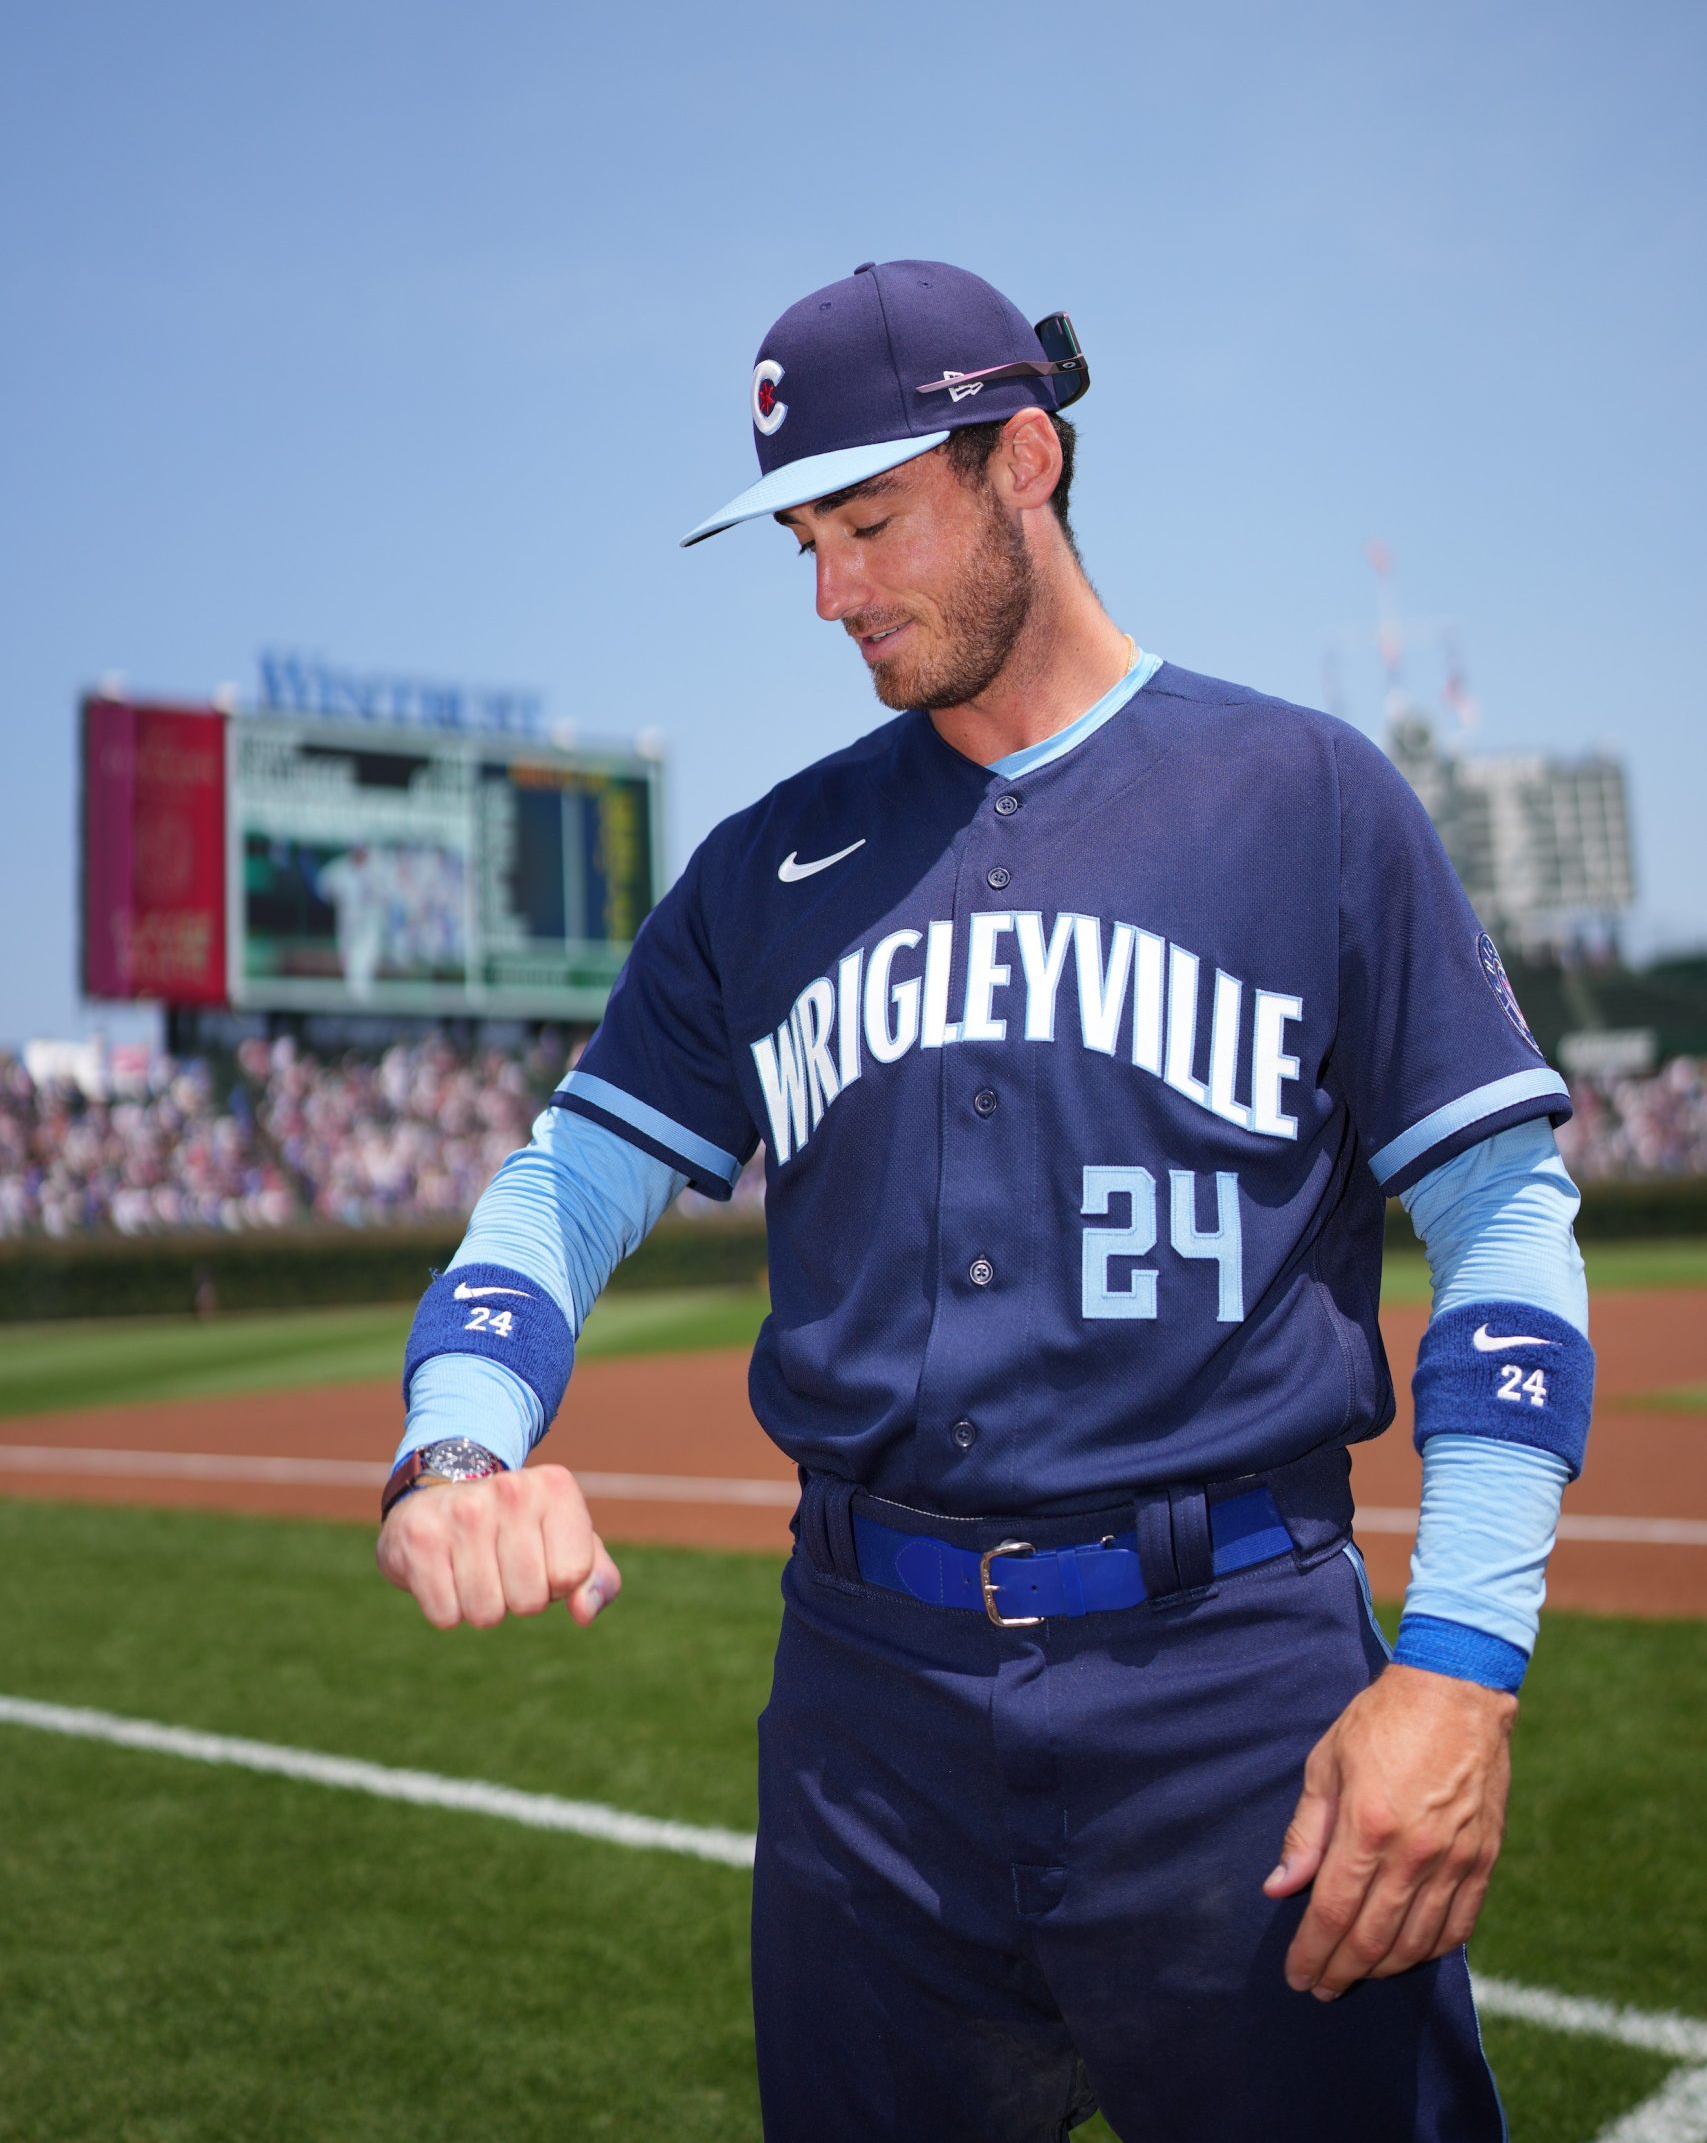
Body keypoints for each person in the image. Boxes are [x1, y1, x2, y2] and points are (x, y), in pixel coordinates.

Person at [377, 260, 1594, 2142]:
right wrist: (457, 1453)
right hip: (870, 1710)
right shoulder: (761, 868)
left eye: (870, 522)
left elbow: (1505, 1221)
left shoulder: (1310, 800)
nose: (830, 590)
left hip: (1236, 1690)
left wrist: (1462, 1664)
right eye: (804, 537)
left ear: (1026, 459)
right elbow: (562, 1188)